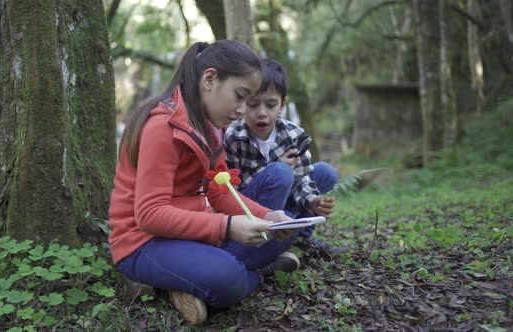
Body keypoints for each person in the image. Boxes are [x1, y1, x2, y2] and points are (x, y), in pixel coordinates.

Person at [108, 41, 301, 326]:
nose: (241, 110)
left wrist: (267, 216)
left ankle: (194, 275)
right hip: (141, 242)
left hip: (185, 232)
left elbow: (219, 190)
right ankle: (239, 275)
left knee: (286, 229)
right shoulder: (162, 128)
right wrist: (227, 227)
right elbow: (148, 215)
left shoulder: (211, 127)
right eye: (240, 96)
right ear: (209, 79)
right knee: (229, 279)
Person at [224, 58, 344, 253]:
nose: (261, 113)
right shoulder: (234, 137)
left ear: (282, 105)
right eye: (253, 105)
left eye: (270, 105)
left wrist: (313, 201)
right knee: (281, 172)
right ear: (243, 101)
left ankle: (302, 240)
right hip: (254, 207)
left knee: (325, 172)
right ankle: (266, 245)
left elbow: (301, 180)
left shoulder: (294, 135)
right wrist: (276, 167)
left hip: (288, 200)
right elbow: (232, 191)